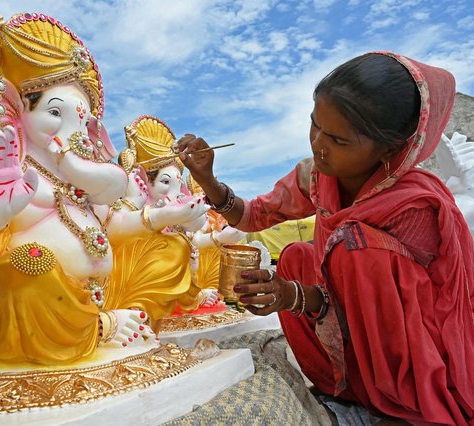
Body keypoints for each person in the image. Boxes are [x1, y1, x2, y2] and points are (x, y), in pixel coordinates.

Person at [176, 51, 474, 425]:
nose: (318, 145)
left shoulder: (415, 208)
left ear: (390, 148)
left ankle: (403, 405)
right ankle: (347, 388)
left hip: (418, 357)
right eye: (314, 125)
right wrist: (207, 179)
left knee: (355, 250)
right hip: (349, 332)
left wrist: (294, 295)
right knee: (297, 256)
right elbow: (253, 216)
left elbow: (416, 309)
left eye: (338, 139)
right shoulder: (317, 176)